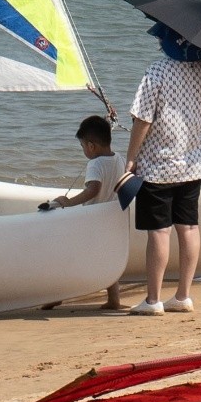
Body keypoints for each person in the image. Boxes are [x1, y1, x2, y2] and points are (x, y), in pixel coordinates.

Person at [119, 23, 201, 316]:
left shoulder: (157, 71)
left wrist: (131, 158)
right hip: (192, 164)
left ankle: (152, 300)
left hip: (157, 166)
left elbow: (142, 119)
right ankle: (183, 296)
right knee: (188, 228)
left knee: (159, 233)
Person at [39, 112, 139, 311]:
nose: (84, 150)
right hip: (113, 217)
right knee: (109, 258)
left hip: (93, 221)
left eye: (83, 146)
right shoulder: (118, 159)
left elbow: (93, 190)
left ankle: (57, 295)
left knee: (69, 255)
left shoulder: (94, 163)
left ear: (91, 146)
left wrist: (68, 202)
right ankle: (114, 300)